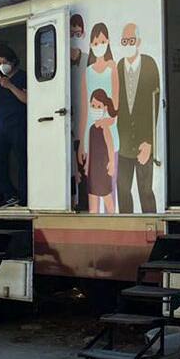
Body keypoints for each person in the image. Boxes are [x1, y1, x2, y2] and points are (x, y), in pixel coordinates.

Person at [115, 22, 160, 213]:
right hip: (124, 142)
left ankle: (153, 226)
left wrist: (149, 141)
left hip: (144, 141)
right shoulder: (119, 66)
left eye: (131, 40)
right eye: (124, 41)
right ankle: (127, 227)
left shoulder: (149, 63)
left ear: (138, 41)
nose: (128, 44)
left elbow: (154, 105)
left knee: (145, 190)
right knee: (123, 189)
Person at [78, 23, 120, 213]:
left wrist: (105, 122)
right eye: (96, 42)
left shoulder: (113, 67)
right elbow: (85, 111)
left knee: (109, 186)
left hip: (109, 135)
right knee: (92, 188)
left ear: (108, 42)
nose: (99, 45)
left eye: (102, 41)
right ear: (91, 44)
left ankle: (115, 224)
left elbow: (116, 107)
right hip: (91, 137)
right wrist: (81, 144)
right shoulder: (87, 72)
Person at [0, 44, 28, 207]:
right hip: (1, 123)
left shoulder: (22, 76)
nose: (1, 65)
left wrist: (10, 85)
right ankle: (9, 194)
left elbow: (27, 99)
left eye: (4, 61)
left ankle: (25, 197)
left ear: (12, 61)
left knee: (23, 160)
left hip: (18, 122)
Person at [84, 89, 118, 214]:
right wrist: (87, 165)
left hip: (103, 167)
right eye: (93, 105)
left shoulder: (105, 128)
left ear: (104, 108)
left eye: (98, 106)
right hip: (93, 168)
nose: (95, 108)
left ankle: (113, 219)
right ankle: (93, 218)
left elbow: (110, 145)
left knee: (106, 196)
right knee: (92, 196)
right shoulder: (91, 128)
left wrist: (112, 162)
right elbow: (90, 148)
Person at [69, 14, 88, 211]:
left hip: (84, 122)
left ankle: (81, 202)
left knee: (82, 166)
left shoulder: (88, 59)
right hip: (69, 124)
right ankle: (73, 200)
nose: (74, 36)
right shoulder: (59, 64)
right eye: (71, 33)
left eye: (77, 32)